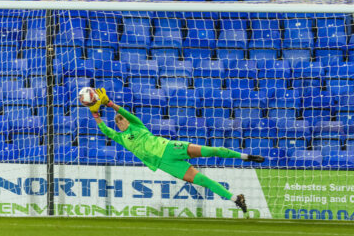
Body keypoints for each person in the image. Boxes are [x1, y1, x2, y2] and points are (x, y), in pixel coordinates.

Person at [80, 88, 265, 217]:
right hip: (165, 164)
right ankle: (236, 198)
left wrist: (110, 103)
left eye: (122, 121)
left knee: (211, 150)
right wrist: (95, 113)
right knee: (202, 180)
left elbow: (127, 113)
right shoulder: (121, 138)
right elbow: (105, 130)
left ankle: (246, 156)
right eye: (118, 123)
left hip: (169, 147)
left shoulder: (137, 124)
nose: (121, 123)